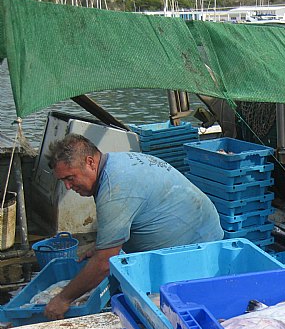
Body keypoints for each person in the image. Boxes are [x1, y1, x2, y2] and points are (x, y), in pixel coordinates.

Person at [44, 134, 224, 319]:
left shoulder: (115, 189)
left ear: (90, 162)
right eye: (63, 181)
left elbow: (104, 263)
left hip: (197, 249)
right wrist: (102, 247)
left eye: (70, 178)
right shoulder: (115, 163)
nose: (67, 186)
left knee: (154, 313)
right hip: (198, 230)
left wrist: (63, 299)